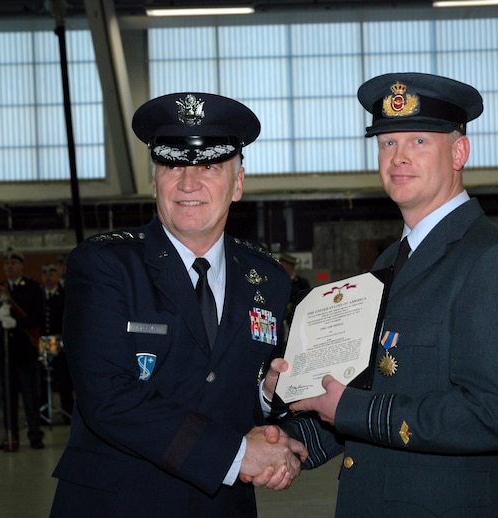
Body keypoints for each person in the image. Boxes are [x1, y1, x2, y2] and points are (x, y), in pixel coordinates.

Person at [265, 73, 498, 516]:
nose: (398, 158)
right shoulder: (388, 264)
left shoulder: (492, 262)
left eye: (418, 141)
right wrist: (288, 445)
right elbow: (364, 389)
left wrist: (352, 410)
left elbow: (491, 416)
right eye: (387, 143)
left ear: (459, 153)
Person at [51, 92, 308, 517]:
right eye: (173, 165)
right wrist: (238, 454)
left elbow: (234, 384)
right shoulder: (104, 265)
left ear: (238, 183)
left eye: (209, 166)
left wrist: (267, 395)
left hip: (223, 506)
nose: (189, 183)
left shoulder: (268, 278)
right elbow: (107, 398)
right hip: (118, 503)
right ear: (155, 182)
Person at [0, 248, 45, 451]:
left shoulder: (33, 287)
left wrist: (17, 324)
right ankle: (11, 435)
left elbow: (38, 316)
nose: (9, 266)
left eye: (13, 262)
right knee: (7, 397)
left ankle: (35, 435)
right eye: (6, 263)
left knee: (30, 395)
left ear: (21, 265)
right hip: (4, 351)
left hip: (25, 349)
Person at [39, 262, 73, 424]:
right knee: (42, 378)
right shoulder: (39, 295)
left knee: (63, 378)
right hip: (43, 342)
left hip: (60, 342)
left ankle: (67, 411)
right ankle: (43, 412)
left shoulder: (64, 294)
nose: (48, 277)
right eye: (45, 274)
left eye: (51, 274)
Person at [278, 252, 311, 330]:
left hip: (295, 318)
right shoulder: (278, 281)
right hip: (281, 319)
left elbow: (305, 300)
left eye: (283, 264)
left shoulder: (302, 283)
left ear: (289, 266)